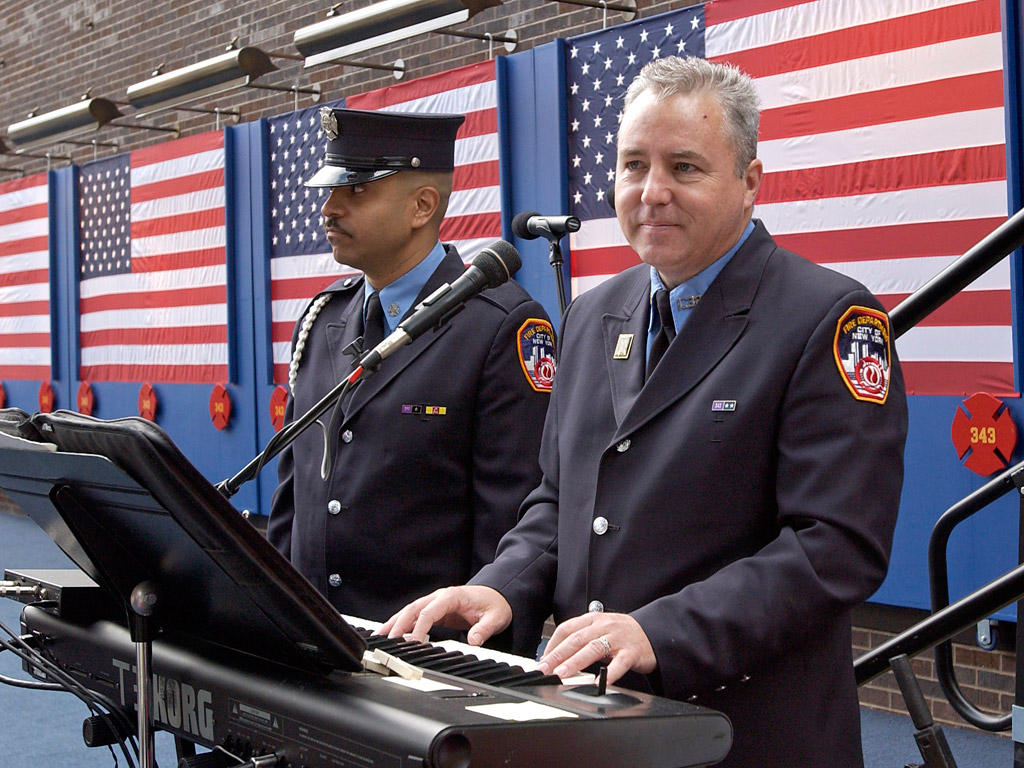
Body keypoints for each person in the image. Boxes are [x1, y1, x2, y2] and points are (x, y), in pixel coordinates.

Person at [381, 57, 908, 767]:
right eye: (634, 165)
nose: (651, 192)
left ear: (750, 182)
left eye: (684, 168)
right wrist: (501, 588)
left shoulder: (827, 318)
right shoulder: (595, 312)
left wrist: (664, 631)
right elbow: (559, 501)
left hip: (743, 733)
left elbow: (834, 545)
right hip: (595, 724)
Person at [268, 107, 555, 625]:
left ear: (422, 206)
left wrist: (472, 661)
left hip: (424, 654)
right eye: (333, 191)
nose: (329, 209)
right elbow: (293, 500)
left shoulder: (498, 326)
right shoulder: (322, 319)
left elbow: (512, 521)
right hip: (313, 639)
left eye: (356, 191)